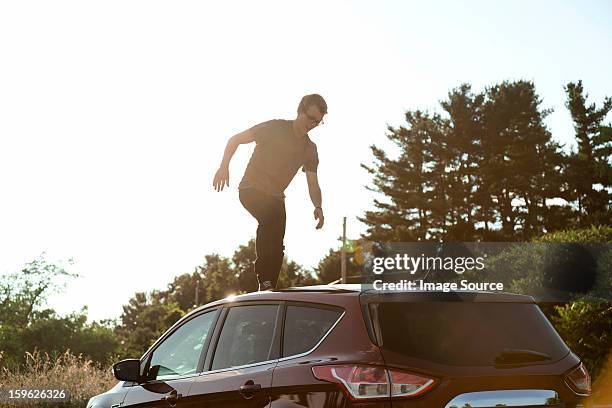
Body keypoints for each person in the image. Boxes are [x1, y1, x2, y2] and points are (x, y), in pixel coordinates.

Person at [213, 94, 327, 291]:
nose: (312, 124)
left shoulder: (309, 149)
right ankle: (263, 278)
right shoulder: (274, 128)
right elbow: (235, 139)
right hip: (251, 189)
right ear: (300, 110)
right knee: (270, 220)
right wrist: (224, 167)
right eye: (310, 118)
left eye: (318, 122)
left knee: (278, 240)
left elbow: (313, 183)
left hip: (275, 197)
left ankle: (269, 287)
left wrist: (318, 206)